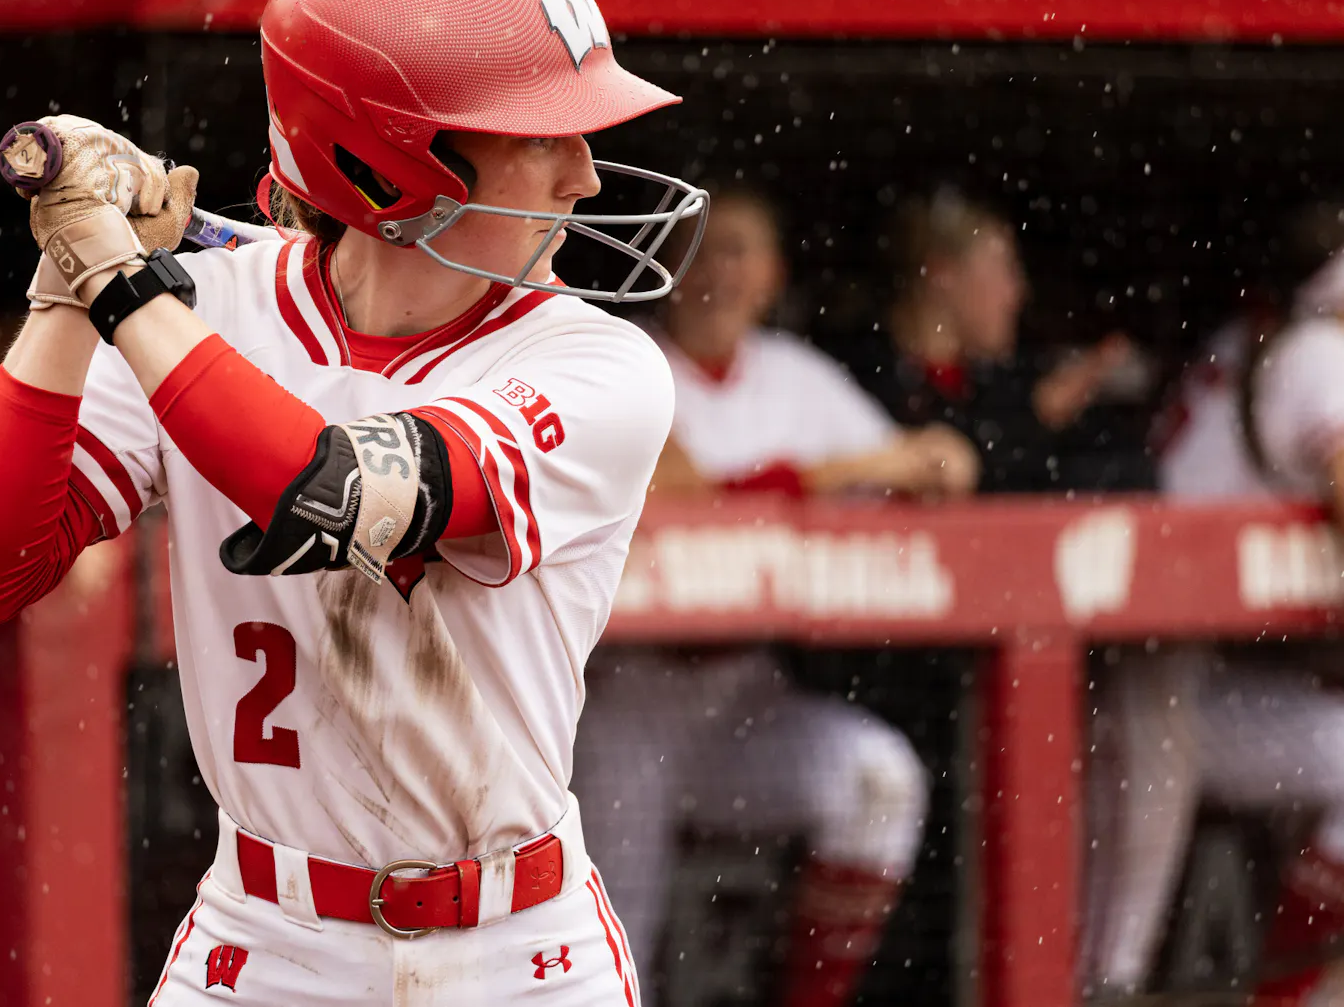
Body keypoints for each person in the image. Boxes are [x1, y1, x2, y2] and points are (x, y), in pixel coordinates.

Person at [0, 0, 708, 1006]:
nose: (582, 175)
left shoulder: (599, 362)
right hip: (264, 941)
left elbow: (332, 489)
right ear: (393, 165)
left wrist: (126, 288)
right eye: (539, 135)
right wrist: (69, 284)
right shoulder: (201, 310)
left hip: (518, 953)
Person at [574, 186, 979, 1007]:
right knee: (617, 943)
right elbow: (683, 491)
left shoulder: (794, 375)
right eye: (702, 248)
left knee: (879, 781)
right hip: (624, 695)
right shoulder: (625, 356)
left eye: (740, 250)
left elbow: (939, 465)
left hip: (744, 693)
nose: (719, 270)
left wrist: (925, 460)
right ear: (668, 265)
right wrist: (846, 472)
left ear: (773, 274)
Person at [1087, 203, 1344, 1005]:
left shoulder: (1259, 340)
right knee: (1103, 959)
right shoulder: (1318, 353)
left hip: (1176, 670)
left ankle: (1289, 996)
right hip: (1135, 667)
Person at [836, 187, 1147, 493]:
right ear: (942, 274)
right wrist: (1033, 419)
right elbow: (938, 471)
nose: (1017, 293)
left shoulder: (1007, 382)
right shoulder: (860, 378)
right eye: (1002, 269)